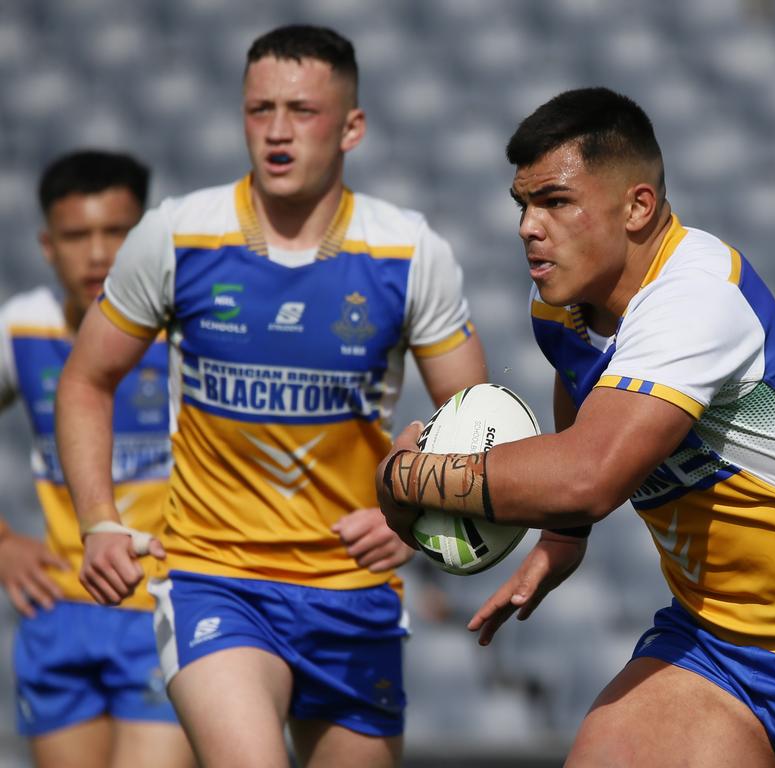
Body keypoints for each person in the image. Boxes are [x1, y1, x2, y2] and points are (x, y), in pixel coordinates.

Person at [376, 87, 775, 767]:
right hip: (719, 647)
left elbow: (588, 476)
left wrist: (407, 476)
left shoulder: (695, 298)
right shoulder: (564, 307)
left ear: (639, 206)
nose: (528, 226)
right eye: (522, 205)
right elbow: (578, 378)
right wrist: (562, 535)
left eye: (554, 201)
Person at [54, 25, 486, 768]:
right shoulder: (178, 235)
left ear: (352, 126)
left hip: (355, 593)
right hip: (214, 581)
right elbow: (87, 380)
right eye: (260, 110)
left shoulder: (410, 252)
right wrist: (99, 520)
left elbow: (479, 422)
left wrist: (420, 521)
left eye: (302, 111)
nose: (277, 133)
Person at [0, 150, 193, 767]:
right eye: (77, 235)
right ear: (47, 245)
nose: (99, 253)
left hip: (168, 606)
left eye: (118, 232)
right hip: (60, 611)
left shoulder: (194, 327)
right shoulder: (20, 328)